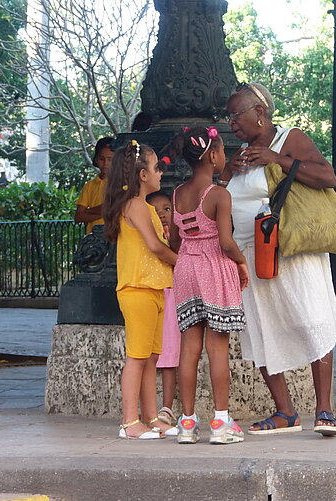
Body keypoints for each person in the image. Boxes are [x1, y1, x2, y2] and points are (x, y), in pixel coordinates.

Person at [218, 82, 336, 437]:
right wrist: (227, 172)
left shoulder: (289, 139)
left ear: (259, 112)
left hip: (290, 252)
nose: (232, 123)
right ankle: (285, 412)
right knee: (260, 330)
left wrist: (278, 159)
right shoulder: (242, 151)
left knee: (312, 322)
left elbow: (327, 176)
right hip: (249, 255)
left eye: (236, 114)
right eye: (228, 116)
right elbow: (226, 197)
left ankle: (324, 410)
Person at [164, 126, 249, 445]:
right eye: (223, 151)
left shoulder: (176, 194)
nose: (224, 156)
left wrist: (190, 253)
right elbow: (226, 242)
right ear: (212, 156)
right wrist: (241, 261)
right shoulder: (218, 195)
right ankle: (221, 421)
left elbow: (175, 239)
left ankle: (186, 423)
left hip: (186, 268)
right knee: (217, 349)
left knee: (189, 349)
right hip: (214, 268)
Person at [102, 140, 178, 440]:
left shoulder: (144, 206)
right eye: (157, 166)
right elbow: (156, 247)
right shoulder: (135, 205)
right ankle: (129, 421)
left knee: (150, 357)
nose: (161, 172)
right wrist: (184, 264)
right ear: (143, 174)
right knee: (137, 356)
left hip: (155, 288)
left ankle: (150, 417)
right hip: (138, 289)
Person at [146, 190, 180, 427]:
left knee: (169, 354)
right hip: (153, 295)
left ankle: (166, 407)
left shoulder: (177, 238)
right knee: (147, 354)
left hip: (173, 296)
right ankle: (147, 408)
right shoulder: (148, 238)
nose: (162, 215)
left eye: (167, 209)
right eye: (156, 212)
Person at [75, 137, 114, 234]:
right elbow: (78, 217)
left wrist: (88, 211)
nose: (106, 163)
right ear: (96, 159)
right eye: (102, 159)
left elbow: (116, 209)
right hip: (94, 240)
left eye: (110, 159)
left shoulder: (122, 183)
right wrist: (105, 213)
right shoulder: (89, 186)